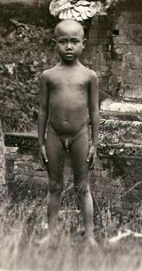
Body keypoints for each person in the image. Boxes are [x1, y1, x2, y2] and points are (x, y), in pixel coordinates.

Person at [37, 19, 100, 245]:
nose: (69, 47)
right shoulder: (48, 76)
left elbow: (94, 111)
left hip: (79, 135)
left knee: (83, 186)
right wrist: (41, 141)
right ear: (55, 44)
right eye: (63, 42)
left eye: (74, 41)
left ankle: (89, 234)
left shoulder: (89, 76)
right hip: (54, 135)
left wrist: (94, 143)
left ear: (84, 43)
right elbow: (43, 110)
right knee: (54, 185)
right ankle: (51, 233)